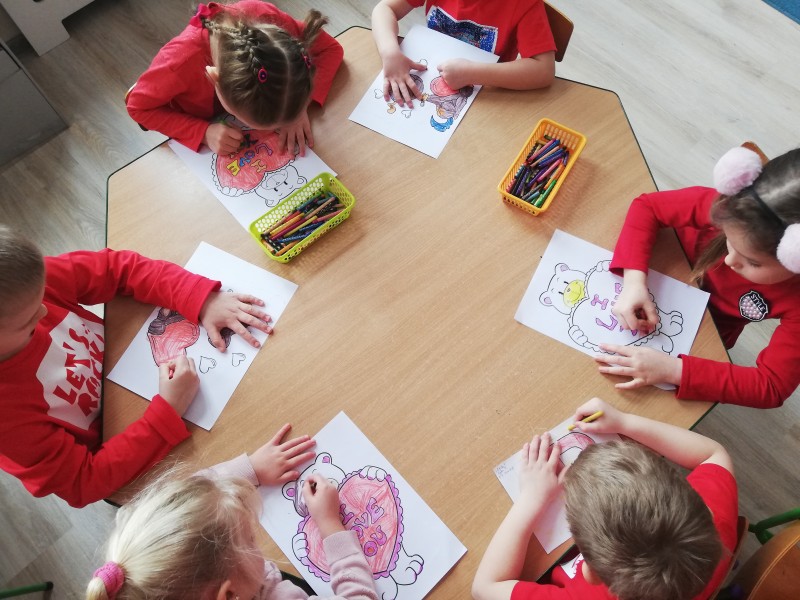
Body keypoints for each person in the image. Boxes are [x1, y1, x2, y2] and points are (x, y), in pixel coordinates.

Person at [0, 224, 273, 507]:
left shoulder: (22, 283)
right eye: (29, 319)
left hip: (128, 380)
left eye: (41, 296)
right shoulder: (7, 423)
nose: (45, 309)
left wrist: (199, 297)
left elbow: (115, 268)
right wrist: (167, 412)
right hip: (131, 451)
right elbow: (83, 482)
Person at [472, 397, 738, 600]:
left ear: (591, 573)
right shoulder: (713, 527)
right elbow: (714, 454)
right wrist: (624, 422)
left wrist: (531, 499)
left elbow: (485, 587)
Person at [595, 146, 800, 408]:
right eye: (729, 239)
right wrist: (634, 281)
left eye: (752, 262)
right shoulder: (730, 207)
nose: (729, 261)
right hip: (664, 276)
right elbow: (648, 207)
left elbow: (770, 387)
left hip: (707, 333)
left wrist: (673, 371)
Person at [85, 425, 378, 600]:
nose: (255, 537)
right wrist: (329, 524)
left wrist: (251, 469)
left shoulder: (136, 555)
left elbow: (190, 495)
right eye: (250, 539)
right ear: (227, 595)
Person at [126, 1, 344, 156]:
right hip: (199, 123)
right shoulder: (177, 63)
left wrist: (297, 106)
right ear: (214, 77)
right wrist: (203, 132)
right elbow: (138, 107)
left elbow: (331, 49)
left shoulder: (271, 23)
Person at [371, 0, 556, 108]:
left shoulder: (524, 4)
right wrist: (390, 52)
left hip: (487, 97)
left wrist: (472, 74)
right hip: (430, 79)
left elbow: (544, 70)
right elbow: (384, 9)